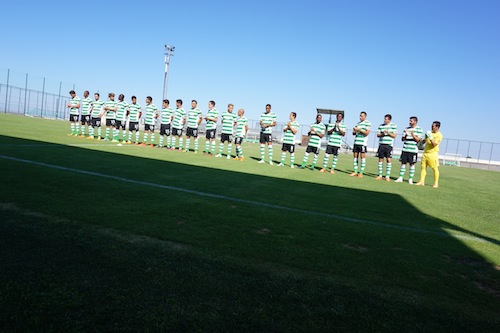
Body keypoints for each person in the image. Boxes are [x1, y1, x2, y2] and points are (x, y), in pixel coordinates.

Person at [395, 116, 423, 184]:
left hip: (413, 150)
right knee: (403, 163)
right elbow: (402, 139)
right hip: (405, 149)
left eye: (411, 121)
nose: (410, 122)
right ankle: (400, 177)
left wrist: (412, 134)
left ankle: (410, 179)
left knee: (412, 164)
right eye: (409, 121)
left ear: (415, 121)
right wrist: (406, 136)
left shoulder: (419, 129)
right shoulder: (406, 129)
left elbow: (418, 140)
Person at [416, 121, 443, 188]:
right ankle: (421, 181)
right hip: (425, 153)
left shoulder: (439, 135)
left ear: (437, 127)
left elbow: (434, 144)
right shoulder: (429, 133)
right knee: (423, 167)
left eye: (433, 126)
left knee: (434, 168)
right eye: (431, 125)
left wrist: (430, 138)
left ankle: (436, 183)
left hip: (433, 154)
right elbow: (423, 142)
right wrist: (425, 138)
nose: (431, 127)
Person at [375, 114, 398, 181]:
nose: (384, 120)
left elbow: (394, 135)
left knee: (388, 160)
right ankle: (380, 175)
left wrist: (388, 133)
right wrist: (382, 134)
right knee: (380, 159)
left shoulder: (393, 126)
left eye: (386, 119)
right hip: (381, 144)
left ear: (389, 120)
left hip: (389, 145)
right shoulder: (381, 126)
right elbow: (378, 135)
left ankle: (387, 176)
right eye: (384, 119)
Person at [349, 111, 371, 178]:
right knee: (355, 157)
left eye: (361, 116)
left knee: (362, 157)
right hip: (356, 142)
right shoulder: (357, 123)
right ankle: (355, 171)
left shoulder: (368, 123)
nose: (360, 117)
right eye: (360, 115)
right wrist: (355, 131)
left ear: (365, 116)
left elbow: (367, 133)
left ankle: (361, 172)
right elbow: (354, 134)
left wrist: (359, 129)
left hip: (362, 143)